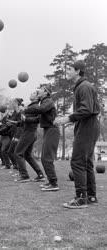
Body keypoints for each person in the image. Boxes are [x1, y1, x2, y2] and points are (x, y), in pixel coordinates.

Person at [56, 60, 100, 209]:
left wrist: (68, 118)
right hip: (88, 126)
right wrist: (72, 119)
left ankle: (81, 198)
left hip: (88, 127)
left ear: (78, 71)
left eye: (69, 69)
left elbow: (87, 109)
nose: (67, 71)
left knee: (77, 161)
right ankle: (91, 197)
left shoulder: (84, 87)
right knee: (86, 162)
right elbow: (85, 110)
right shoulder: (81, 86)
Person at [25, 84, 60, 191]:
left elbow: (41, 109)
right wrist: (24, 119)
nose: (38, 91)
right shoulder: (44, 102)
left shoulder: (48, 101)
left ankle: (53, 184)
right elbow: (37, 119)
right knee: (45, 157)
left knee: (46, 158)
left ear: (45, 92)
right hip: (48, 130)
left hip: (52, 130)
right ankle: (51, 181)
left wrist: (27, 108)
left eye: (40, 90)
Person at [13, 92, 45, 182]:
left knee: (18, 153)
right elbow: (25, 120)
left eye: (34, 93)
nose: (31, 93)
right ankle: (40, 175)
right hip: (30, 132)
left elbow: (37, 120)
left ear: (36, 98)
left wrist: (24, 116)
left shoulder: (35, 107)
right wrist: (17, 123)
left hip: (29, 133)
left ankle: (24, 176)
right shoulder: (31, 106)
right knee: (27, 155)